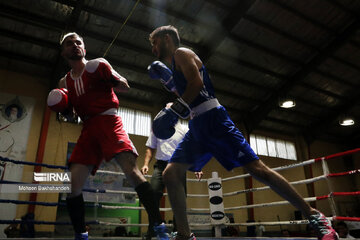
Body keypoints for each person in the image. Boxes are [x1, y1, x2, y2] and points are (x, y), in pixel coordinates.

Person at [147, 25, 338, 240]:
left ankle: (315, 216)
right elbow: (186, 93)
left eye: (154, 43)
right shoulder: (174, 66)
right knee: (171, 174)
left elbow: (197, 83)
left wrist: (176, 109)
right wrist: (170, 84)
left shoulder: (182, 53)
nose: (153, 48)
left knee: (258, 170)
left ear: (166, 39)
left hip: (214, 120)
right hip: (197, 126)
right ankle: (184, 234)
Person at [51, 32, 168, 240]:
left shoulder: (98, 64)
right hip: (88, 129)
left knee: (131, 172)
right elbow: (71, 115)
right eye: (69, 44)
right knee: (73, 185)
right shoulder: (64, 81)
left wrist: (106, 76)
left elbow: (124, 85)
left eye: (78, 42)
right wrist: (63, 108)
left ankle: (159, 227)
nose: (75, 45)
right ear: (63, 52)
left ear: (84, 49)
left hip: (109, 121)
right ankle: (81, 235)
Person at [140, 111, 203, 239]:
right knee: (152, 194)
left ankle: (178, 231)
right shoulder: (157, 128)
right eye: (167, 110)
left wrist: (197, 167)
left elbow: (191, 150)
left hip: (178, 165)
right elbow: (150, 148)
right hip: (160, 165)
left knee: (180, 198)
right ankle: (154, 229)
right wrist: (146, 164)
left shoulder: (184, 130)